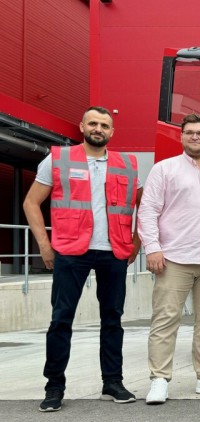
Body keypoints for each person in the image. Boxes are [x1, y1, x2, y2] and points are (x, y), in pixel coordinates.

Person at [23, 106, 141, 412]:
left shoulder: (127, 164)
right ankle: (54, 387)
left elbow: (145, 205)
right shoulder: (58, 159)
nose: (98, 128)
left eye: (104, 124)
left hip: (113, 251)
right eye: (93, 123)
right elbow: (31, 203)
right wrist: (45, 246)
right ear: (82, 126)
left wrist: (136, 242)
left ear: (112, 132)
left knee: (112, 319)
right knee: (61, 319)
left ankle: (112, 382)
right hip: (70, 250)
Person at [137, 114, 200, 404]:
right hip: (174, 259)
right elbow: (147, 211)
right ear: (181, 137)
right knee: (165, 320)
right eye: (189, 132)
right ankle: (159, 379)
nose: (195, 137)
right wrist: (153, 248)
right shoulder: (164, 170)